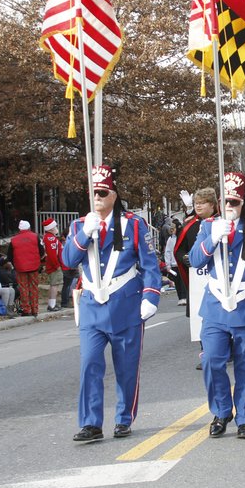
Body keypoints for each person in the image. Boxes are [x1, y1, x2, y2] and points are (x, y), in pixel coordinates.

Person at [61, 165, 162, 443]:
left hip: (125, 306)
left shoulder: (134, 224)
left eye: (103, 193)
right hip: (93, 306)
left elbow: (150, 265)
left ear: (114, 195)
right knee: (89, 365)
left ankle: (123, 418)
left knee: (126, 367)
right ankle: (91, 423)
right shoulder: (79, 225)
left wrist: (151, 297)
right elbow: (68, 261)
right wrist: (83, 236)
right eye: (93, 192)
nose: (97, 198)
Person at [190, 172, 245, 440]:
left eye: (235, 202)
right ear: (219, 202)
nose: (230, 206)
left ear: (244, 203)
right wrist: (212, 239)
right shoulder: (208, 226)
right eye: (226, 201)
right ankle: (221, 411)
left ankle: (244, 417)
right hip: (216, 308)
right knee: (211, 361)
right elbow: (195, 260)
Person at [175, 188, 219, 368]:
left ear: (213, 205)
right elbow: (179, 250)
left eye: (202, 203)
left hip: (218, 277)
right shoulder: (190, 225)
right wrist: (186, 259)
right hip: (197, 278)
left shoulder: (221, 223)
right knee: (202, 317)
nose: (198, 206)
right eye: (196, 203)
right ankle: (207, 352)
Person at [7, 220, 43, 317]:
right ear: (29, 227)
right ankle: (35, 309)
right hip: (34, 266)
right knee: (34, 288)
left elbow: (9, 255)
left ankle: (26, 309)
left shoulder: (14, 239)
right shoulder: (35, 237)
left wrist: (15, 264)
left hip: (20, 267)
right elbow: (42, 251)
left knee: (24, 288)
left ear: (19, 228)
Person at [41, 218, 64, 312]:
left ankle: (52, 303)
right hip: (54, 265)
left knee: (53, 285)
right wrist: (57, 265)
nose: (56, 228)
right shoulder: (50, 238)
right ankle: (52, 305)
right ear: (50, 228)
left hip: (52, 265)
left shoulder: (49, 237)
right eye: (55, 226)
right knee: (54, 285)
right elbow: (52, 253)